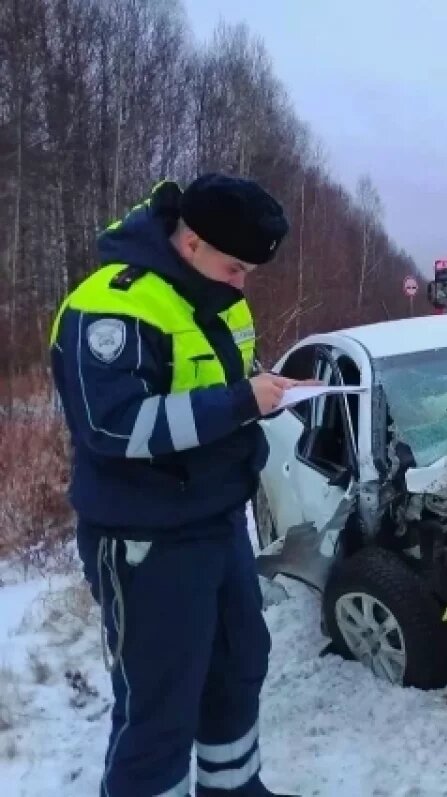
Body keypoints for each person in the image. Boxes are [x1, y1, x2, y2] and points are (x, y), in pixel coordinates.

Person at [48, 174, 308, 797]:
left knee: (237, 668)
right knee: (160, 703)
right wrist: (243, 401)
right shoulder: (112, 305)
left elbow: (223, 385)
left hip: (218, 522)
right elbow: (111, 428)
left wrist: (267, 394)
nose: (242, 280)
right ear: (191, 242)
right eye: (235, 265)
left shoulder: (220, 295)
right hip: (146, 537)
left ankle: (233, 789)